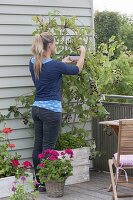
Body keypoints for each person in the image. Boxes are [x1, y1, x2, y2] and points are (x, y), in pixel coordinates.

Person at [29, 32, 86, 192]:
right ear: (49, 46)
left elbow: (48, 71)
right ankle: (47, 183)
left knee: (38, 145)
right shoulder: (55, 65)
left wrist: (61, 63)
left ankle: (39, 182)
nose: (55, 46)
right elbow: (77, 69)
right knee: (48, 147)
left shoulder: (33, 62)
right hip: (51, 111)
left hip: (37, 109)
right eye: (54, 43)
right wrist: (83, 52)